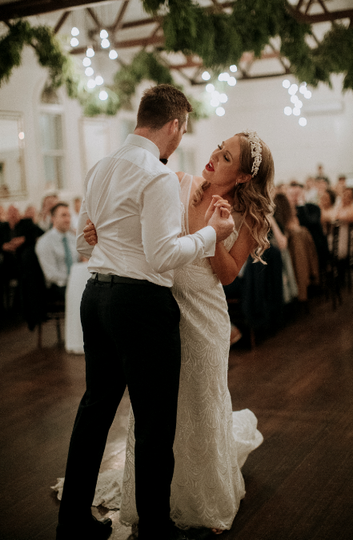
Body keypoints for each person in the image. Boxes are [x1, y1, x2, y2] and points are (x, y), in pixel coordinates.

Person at [56, 84, 235, 540]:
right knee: (155, 421)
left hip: (95, 297)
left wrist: (106, 239)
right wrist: (211, 235)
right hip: (139, 305)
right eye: (184, 130)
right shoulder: (156, 175)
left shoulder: (100, 167)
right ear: (174, 126)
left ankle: (72, 521)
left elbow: (82, 242)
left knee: (94, 411)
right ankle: (156, 529)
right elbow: (161, 256)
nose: (181, 140)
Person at [83, 130, 274, 535]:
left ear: (241, 177)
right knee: (158, 411)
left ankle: (205, 498)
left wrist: (217, 234)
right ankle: (156, 501)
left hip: (205, 316)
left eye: (225, 157)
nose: (213, 157)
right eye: (218, 149)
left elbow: (226, 275)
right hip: (161, 308)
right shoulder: (179, 183)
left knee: (202, 403)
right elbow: (141, 228)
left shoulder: (251, 217)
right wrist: (100, 233)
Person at [35, 202, 79, 302]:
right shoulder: (45, 242)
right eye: (63, 215)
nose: (68, 220)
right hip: (58, 287)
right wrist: (73, 280)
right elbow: (50, 275)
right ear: (53, 218)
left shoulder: (73, 238)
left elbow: (80, 261)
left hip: (75, 282)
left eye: (69, 216)